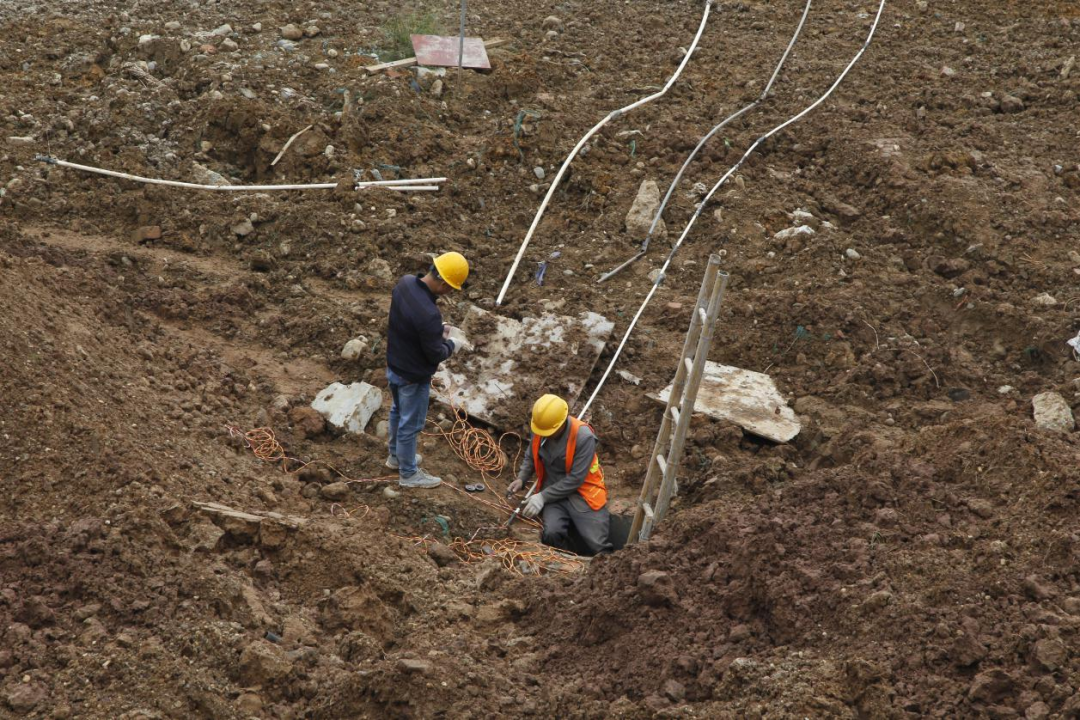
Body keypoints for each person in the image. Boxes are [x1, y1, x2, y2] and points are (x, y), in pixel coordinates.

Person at [385, 251, 470, 488]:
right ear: (443, 283)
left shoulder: (405, 283)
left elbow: (409, 321)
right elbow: (435, 353)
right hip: (413, 376)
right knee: (410, 425)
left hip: (394, 365)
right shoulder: (429, 314)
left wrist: (435, 331)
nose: (450, 292)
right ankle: (409, 474)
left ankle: (396, 457)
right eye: (451, 287)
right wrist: (452, 344)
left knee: (396, 412)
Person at [508, 394, 613, 556]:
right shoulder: (542, 427)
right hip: (553, 495)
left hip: (583, 495)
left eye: (548, 432)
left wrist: (542, 497)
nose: (544, 435)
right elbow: (532, 455)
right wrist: (522, 478)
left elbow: (576, 479)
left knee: (597, 544)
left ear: (561, 424)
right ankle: (567, 559)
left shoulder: (584, 437)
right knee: (551, 534)